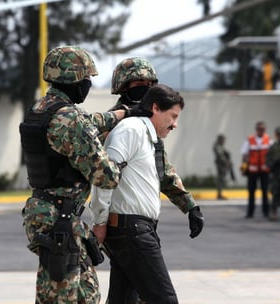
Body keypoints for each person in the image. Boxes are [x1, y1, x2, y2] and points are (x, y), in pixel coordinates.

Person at [19, 46, 127, 303]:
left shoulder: (42, 109)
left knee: (84, 294)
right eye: (86, 79)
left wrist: (121, 113)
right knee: (61, 298)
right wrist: (121, 159)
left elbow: (88, 122)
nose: (88, 84)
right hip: (60, 222)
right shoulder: (70, 119)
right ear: (74, 80)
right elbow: (106, 176)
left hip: (46, 212)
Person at [90, 84, 204, 304]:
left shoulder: (149, 138)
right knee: (164, 299)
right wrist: (99, 222)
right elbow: (104, 177)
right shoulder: (131, 129)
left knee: (123, 300)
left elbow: (166, 177)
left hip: (135, 229)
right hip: (131, 230)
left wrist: (190, 207)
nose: (175, 124)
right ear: (155, 107)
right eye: (172, 116)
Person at [241, 121, 273, 218]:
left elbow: (272, 154)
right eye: (259, 129)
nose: (261, 131)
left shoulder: (269, 140)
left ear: (265, 130)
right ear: (256, 130)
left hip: (265, 170)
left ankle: (266, 212)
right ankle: (250, 213)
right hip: (252, 171)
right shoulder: (250, 139)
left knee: (265, 191)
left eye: (263, 129)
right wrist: (244, 167)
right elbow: (244, 154)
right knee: (251, 192)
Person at [213, 134, 235, 200]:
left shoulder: (220, 146)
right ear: (220, 140)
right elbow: (220, 156)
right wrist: (226, 162)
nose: (224, 141)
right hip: (220, 165)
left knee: (221, 179)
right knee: (221, 179)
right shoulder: (217, 146)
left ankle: (220, 194)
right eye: (223, 140)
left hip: (222, 164)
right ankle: (219, 194)